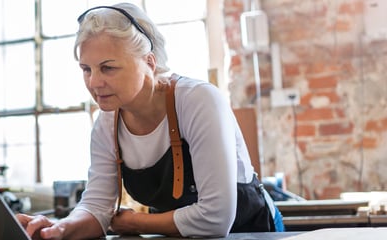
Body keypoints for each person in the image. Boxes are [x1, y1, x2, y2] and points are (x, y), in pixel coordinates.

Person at [16, 2, 283, 239]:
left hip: (251, 232)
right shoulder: (107, 123)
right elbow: (97, 207)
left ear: (150, 62)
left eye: (108, 67)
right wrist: (60, 228)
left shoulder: (198, 101)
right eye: (86, 69)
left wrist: (137, 223)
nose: (94, 83)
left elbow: (216, 219)